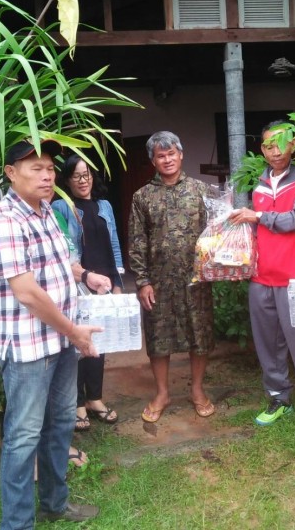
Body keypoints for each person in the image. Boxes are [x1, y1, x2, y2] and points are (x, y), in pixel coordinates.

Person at [0, 139, 112, 529]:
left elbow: (59, 263)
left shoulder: (46, 213)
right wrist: (75, 333)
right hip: (28, 350)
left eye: (50, 168)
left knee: (60, 425)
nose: (47, 175)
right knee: (23, 437)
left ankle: (55, 503)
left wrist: (86, 275)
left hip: (60, 344)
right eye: (35, 168)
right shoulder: (5, 220)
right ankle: (17, 523)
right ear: (10, 173)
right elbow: (26, 292)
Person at [229, 121, 295, 440]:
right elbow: (253, 228)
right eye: (269, 146)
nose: (276, 151)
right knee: (267, 344)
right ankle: (278, 398)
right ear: (262, 150)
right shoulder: (259, 184)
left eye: (282, 143)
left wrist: (257, 216)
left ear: (293, 144)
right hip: (262, 277)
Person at [128, 131, 216, 423]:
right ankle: (162, 393)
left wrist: (214, 267)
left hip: (196, 279)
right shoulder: (142, 196)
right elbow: (137, 242)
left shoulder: (201, 191)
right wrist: (142, 281)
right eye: (160, 156)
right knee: (158, 337)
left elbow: (215, 234)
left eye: (171, 153)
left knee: (199, 334)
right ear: (153, 161)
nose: (167, 160)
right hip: (158, 281)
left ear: (181, 155)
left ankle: (197, 390)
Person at [53, 155, 124, 432]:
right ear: (67, 180)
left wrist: (117, 282)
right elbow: (65, 251)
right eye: (77, 176)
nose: (83, 181)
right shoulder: (61, 207)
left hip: (103, 282)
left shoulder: (104, 205)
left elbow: (114, 244)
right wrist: (81, 277)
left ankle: (95, 398)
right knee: (78, 345)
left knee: (99, 344)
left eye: (87, 175)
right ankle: (77, 403)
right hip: (77, 283)